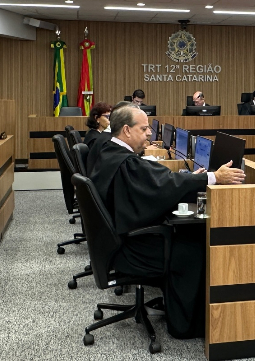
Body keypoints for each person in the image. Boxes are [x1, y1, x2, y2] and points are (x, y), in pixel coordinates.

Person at [89, 105, 245, 339]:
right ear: (127, 131)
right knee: (193, 246)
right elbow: (159, 187)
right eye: (144, 129)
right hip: (130, 248)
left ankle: (180, 309)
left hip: (115, 242)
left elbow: (154, 184)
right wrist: (214, 177)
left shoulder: (111, 153)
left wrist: (191, 179)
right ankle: (185, 325)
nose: (149, 134)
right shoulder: (125, 163)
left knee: (185, 234)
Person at [85, 101, 132, 174]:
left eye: (111, 117)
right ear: (97, 118)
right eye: (107, 117)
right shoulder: (94, 138)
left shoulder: (97, 134)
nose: (110, 120)